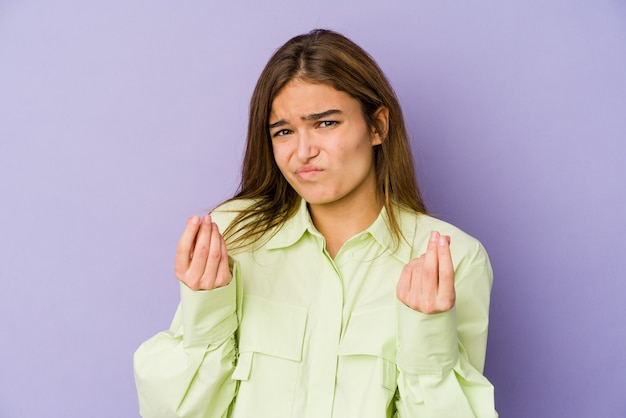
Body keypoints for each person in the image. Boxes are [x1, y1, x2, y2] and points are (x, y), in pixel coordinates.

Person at [134, 29, 497, 418]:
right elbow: (179, 412)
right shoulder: (233, 237)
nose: (303, 152)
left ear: (378, 126)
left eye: (325, 124)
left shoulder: (452, 259)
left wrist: (427, 346)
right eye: (284, 131)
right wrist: (206, 313)